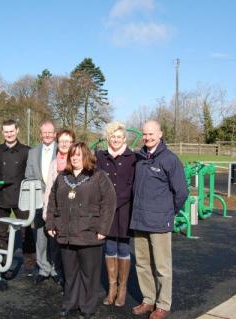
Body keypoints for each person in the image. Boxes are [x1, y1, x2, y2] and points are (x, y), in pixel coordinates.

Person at [46, 142, 116, 319]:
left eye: (79, 154)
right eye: (73, 155)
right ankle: (71, 303)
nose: (75, 158)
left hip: (89, 233)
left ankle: (87, 306)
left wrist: (103, 229)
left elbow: (109, 203)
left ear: (86, 156)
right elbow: (52, 202)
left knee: (89, 275)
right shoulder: (62, 177)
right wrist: (51, 224)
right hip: (66, 234)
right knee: (70, 274)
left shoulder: (98, 176)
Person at [130, 120, 188, 319]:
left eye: (151, 134)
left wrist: (168, 213)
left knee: (162, 266)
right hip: (139, 220)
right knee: (142, 264)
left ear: (160, 134)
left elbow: (181, 192)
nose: (147, 137)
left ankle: (163, 304)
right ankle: (148, 299)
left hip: (159, 222)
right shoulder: (139, 158)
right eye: (145, 134)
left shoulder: (169, 159)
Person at [95, 122, 136, 307]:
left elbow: (131, 184)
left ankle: (122, 288)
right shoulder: (101, 157)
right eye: (112, 136)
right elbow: (97, 181)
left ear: (124, 138)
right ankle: (112, 288)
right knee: (110, 247)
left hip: (125, 209)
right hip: (106, 210)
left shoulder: (132, 157)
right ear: (108, 138)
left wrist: (115, 201)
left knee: (124, 248)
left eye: (119, 136)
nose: (116, 139)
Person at [0, 119, 36, 277]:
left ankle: (30, 265)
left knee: (26, 232)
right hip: (1, 197)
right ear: (2, 133)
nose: (9, 134)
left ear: (17, 131)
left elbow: (30, 175)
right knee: (2, 234)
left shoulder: (27, 151)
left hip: (21, 199)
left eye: (11, 131)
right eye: (6, 131)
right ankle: (2, 264)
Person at [24, 119, 61, 284]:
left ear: (55, 134)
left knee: (56, 236)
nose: (47, 135)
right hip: (39, 201)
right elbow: (29, 175)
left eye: (50, 132)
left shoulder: (62, 150)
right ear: (40, 134)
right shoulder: (33, 152)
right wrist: (41, 191)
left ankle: (56, 270)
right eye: (44, 132)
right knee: (40, 237)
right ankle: (43, 269)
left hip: (57, 202)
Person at [42, 129, 76, 289]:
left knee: (71, 249)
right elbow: (48, 190)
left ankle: (72, 280)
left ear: (72, 143)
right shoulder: (54, 164)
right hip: (56, 212)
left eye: (67, 141)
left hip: (74, 213)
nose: (64, 144)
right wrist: (46, 213)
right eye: (61, 141)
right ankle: (59, 274)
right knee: (56, 246)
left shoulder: (77, 161)